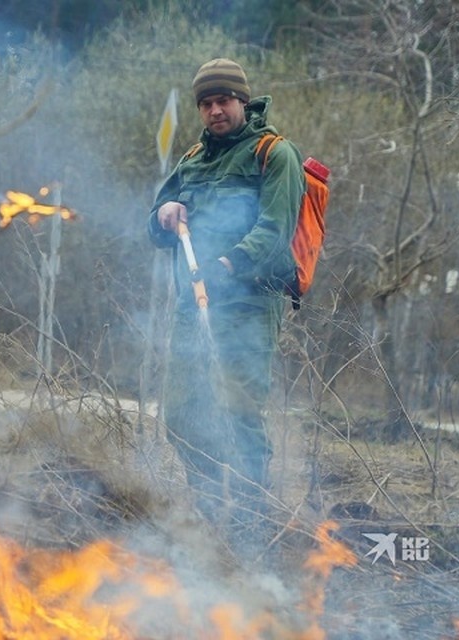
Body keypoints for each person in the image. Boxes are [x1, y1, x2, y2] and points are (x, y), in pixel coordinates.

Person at [148, 58, 304, 529]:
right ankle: (212, 508)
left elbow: (275, 230)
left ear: (242, 100)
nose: (216, 110)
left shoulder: (275, 154)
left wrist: (225, 265)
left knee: (237, 410)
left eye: (224, 100)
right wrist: (163, 212)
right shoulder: (193, 159)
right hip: (191, 307)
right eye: (207, 103)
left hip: (249, 305)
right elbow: (159, 226)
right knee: (181, 413)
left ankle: (252, 520)